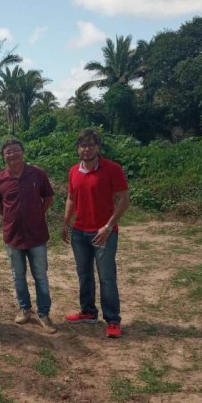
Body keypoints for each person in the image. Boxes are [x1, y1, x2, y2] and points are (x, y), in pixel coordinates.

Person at [62, 128, 130, 338]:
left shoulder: (112, 169)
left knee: (107, 277)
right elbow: (71, 199)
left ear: (98, 147)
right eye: (83, 145)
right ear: (78, 148)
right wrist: (65, 223)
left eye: (91, 144)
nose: (87, 149)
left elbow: (124, 199)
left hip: (104, 233)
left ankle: (112, 320)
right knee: (84, 274)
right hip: (79, 232)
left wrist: (109, 226)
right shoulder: (74, 171)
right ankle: (88, 312)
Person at [0, 138, 57, 334]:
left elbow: (48, 198)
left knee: (40, 276)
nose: (12, 154)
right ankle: (25, 309)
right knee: (17, 275)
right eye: (8, 152)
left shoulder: (38, 174)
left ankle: (44, 314)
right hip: (13, 236)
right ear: (3, 156)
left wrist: (36, 214)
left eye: (16, 150)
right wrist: (13, 218)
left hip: (36, 235)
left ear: (23, 152)